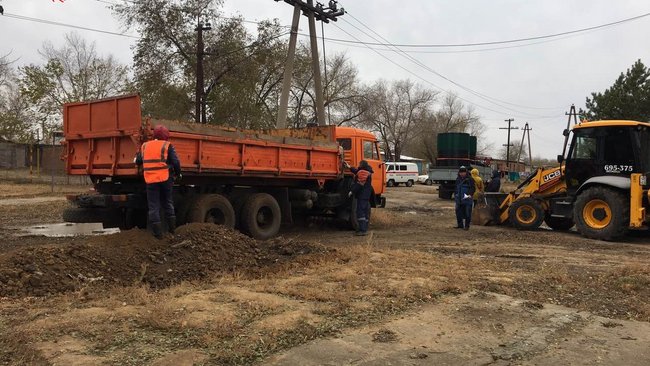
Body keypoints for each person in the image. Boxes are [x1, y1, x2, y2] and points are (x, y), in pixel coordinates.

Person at [135, 125, 181, 239]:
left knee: (153, 206)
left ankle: (158, 235)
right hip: (165, 178)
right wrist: (178, 173)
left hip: (150, 179)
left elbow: (139, 160)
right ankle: (172, 231)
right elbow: (175, 162)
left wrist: (136, 160)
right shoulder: (167, 145)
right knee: (167, 202)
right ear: (166, 136)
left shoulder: (145, 146)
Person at [347, 160, 374, 236]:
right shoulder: (366, 171)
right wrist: (349, 167)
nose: (358, 165)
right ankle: (364, 228)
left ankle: (362, 230)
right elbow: (357, 172)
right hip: (366, 195)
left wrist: (352, 191)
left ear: (362, 165)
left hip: (362, 195)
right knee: (365, 212)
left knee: (360, 212)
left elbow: (359, 184)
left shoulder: (363, 173)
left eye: (359, 164)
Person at [454, 166, 475, 230]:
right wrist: (456, 195)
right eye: (461, 172)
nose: (462, 173)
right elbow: (456, 188)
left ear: (466, 172)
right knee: (458, 212)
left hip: (467, 199)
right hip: (459, 199)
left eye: (463, 172)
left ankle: (467, 226)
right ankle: (460, 225)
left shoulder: (470, 179)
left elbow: (473, 188)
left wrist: (469, 194)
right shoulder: (458, 179)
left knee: (467, 213)